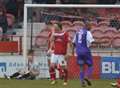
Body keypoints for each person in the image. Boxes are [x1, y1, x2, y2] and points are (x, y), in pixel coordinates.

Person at [72, 23, 94, 87]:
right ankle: (87, 76)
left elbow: (73, 43)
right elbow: (92, 41)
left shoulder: (77, 33)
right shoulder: (88, 32)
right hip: (86, 51)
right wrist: (103, 42)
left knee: (81, 68)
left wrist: (72, 52)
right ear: (87, 26)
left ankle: (82, 82)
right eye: (90, 26)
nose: (91, 28)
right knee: (90, 65)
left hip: (78, 52)